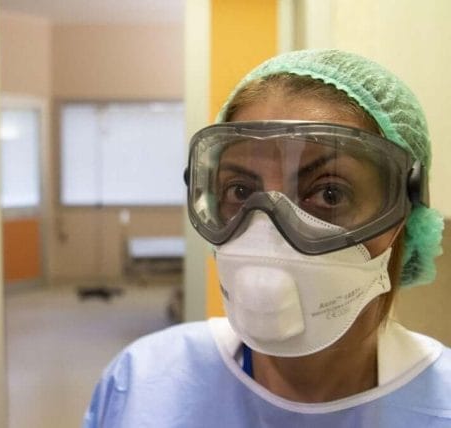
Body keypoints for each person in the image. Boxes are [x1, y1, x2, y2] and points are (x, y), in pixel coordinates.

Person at [83, 49, 449, 427]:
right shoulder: (143, 385)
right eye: (240, 191)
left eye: (329, 194)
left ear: (404, 216)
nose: (268, 233)